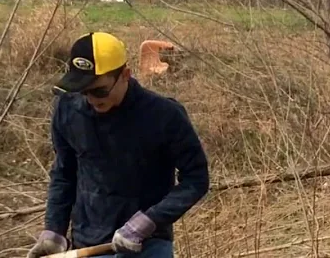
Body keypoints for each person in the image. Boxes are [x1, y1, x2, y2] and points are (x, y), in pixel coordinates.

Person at [27, 32, 210, 258]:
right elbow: (64, 173)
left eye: (99, 90)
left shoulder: (164, 116)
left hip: (148, 246)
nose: (91, 99)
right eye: (83, 90)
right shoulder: (68, 109)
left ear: (125, 75)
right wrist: (54, 230)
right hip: (88, 244)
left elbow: (196, 178)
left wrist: (149, 221)